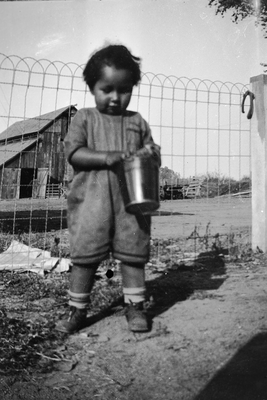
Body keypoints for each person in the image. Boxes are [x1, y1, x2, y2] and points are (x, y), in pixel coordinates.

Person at [55, 44, 161, 334]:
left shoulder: (137, 122)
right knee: (85, 258)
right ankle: (77, 310)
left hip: (132, 205)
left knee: (133, 255)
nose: (116, 97)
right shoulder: (85, 119)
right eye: (107, 89)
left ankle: (135, 308)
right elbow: (74, 153)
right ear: (92, 87)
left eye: (124, 90)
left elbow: (151, 153)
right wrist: (107, 157)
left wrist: (151, 153)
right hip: (92, 203)